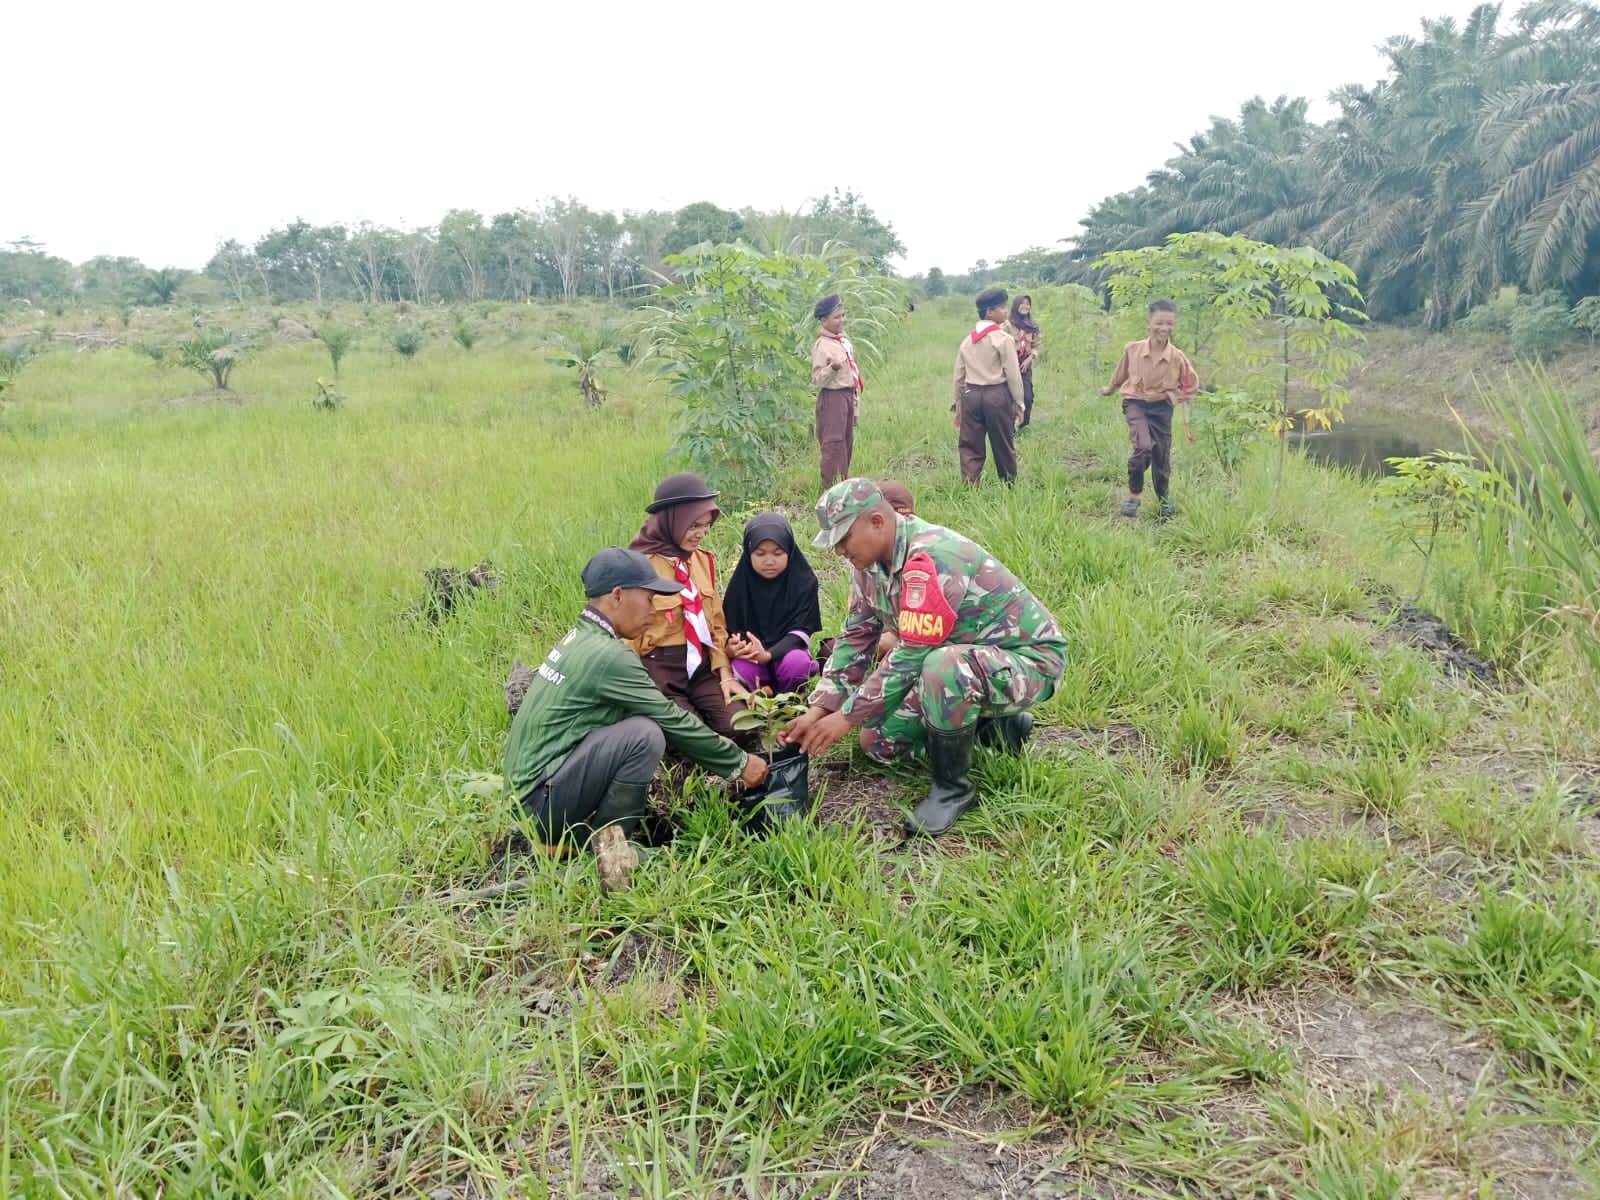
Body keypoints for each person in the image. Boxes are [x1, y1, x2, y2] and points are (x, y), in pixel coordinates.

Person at [783, 479, 1067, 838]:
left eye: (844, 538)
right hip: (966, 662)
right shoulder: (868, 568)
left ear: (876, 521)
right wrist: (819, 710)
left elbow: (913, 653)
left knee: (942, 666)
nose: (839, 551)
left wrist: (848, 716)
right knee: (879, 744)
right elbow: (855, 639)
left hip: (1028, 662)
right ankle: (995, 727)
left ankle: (952, 788)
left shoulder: (933, 555)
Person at [504, 547, 769, 892]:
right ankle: (613, 851)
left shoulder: (580, 640)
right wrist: (738, 763)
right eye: (648, 599)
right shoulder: (609, 656)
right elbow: (669, 718)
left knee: (636, 728)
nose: (654, 610)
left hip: (529, 798)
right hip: (541, 807)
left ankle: (582, 837)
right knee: (644, 734)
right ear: (617, 596)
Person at [626, 472, 749, 740]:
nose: (701, 533)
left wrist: (726, 675)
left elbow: (716, 624)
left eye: (706, 525)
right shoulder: (639, 567)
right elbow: (627, 637)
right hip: (660, 670)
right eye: (694, 526)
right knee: (694, 737)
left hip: (702, 668)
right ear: (672, 521)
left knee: (739, 726)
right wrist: (641, 691)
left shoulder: (701, 560)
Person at [1100, 299, 1198, 520]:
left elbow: (1191, 386)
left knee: (1161, 454)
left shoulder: (1177, 357)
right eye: (1159, 323)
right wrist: (1110, 389)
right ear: (1149, 323)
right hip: (1136, 403)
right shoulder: (1133, 349)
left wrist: (1167, 396)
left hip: (1162, 409)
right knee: (1143, 447)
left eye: (1169, 324)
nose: (1164, 328)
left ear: (1174, 325)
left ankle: (1163, 497)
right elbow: (1120, 374)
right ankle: (1133, 494)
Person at [723, 513, 823, 695]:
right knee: (742, 667)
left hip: (788, 650)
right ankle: (761, 699)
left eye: (778, 553)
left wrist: (768, 655)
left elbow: (802, 630)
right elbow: (731, 630)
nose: (769, 561)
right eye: (760, 554)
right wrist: (733, 648)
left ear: (790, 551)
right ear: (748, 553)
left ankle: (791, 697)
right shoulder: (740, 585)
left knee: (797, 663)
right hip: (752, 654)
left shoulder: (804, 582)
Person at [953, 287, 1026, 485]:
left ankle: (970, 485)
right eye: (1001, 307)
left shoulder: (967, 341)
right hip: (996, 395)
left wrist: (958, 405)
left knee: (970, 444)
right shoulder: (1003, 339)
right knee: (1003, 442)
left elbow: (958, 377)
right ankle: (1008, 484)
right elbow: (1013, 374)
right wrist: (1020, 402)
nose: (1005, 311)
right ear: (989, 312)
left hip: (971, 395)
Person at [811, 293, 862, 486]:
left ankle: (843, 484)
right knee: (833, 444)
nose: (842, 320)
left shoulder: (842, 342)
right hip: (832, 399)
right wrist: (832, 368)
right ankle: (830, 488)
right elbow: (817, 379)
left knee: (846, 443)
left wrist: (855, 405)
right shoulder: (822, 345)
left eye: (843, 315)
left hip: (846, 397)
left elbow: (852, 377)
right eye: (836, 317)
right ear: (824, 320)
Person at [1002, 294, 1041, 429]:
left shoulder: (1033, 325)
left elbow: (1036, 346)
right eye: (1022, 303)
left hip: (1025, 363)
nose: (1025, 306)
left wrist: (1030, 359)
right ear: (1015, 306)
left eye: (1028, 304)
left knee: (1027, 397)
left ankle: (1023, 424)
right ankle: (1009, 426)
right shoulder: (1007, 325)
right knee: (1010, 395)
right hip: (1010, 362)